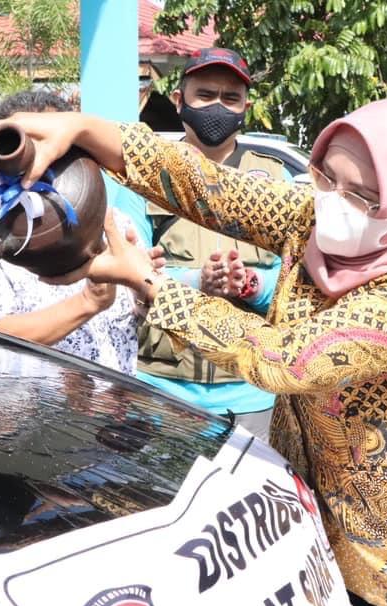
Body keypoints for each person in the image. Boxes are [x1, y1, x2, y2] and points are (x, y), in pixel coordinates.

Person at [0, 98, 387, 606]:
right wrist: (84, 126)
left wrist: (149, 284)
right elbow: (209, 188)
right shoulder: (312, 220)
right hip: (332, 536)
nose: (334, 204)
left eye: (363, 197)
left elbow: (285, 359)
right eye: (325, 177)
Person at [129, 47, 289, 441]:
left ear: (245, 107)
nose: (218, 106)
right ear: (181, 101)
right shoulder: (147, 177)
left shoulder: (272, 180)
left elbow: (295, 281)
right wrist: (195, 281)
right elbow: (125, 275)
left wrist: (251, 284)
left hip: (252, 394)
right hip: (162, 390)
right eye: (205, 95)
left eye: (230, 98)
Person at [0, 91, 141, 376]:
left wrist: (143, 295)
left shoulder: (115, 223)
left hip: (110, 413)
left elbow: (133, 324)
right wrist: (88, 303)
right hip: (32, 416)